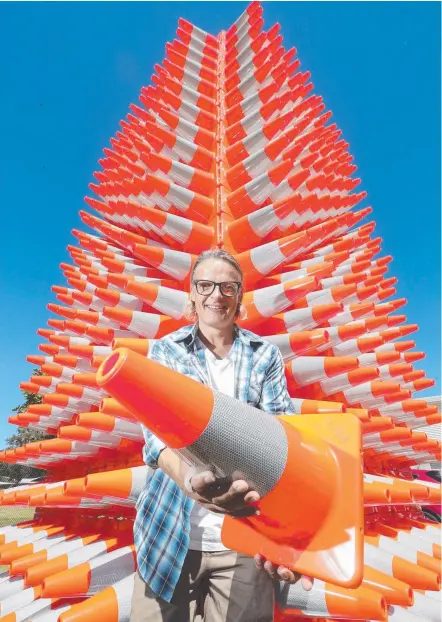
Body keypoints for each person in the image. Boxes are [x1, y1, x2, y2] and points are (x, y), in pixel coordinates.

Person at [131, 249, 312, 622]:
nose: (217, 295)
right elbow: (156, 438)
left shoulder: (265, 356)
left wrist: (290, 535)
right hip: (169, 531)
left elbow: (283, 442)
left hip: (244, 539)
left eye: (228, 287)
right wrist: (189, 481)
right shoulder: (165, 351)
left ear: (240, 298)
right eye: (206, 285)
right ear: (192, 296)